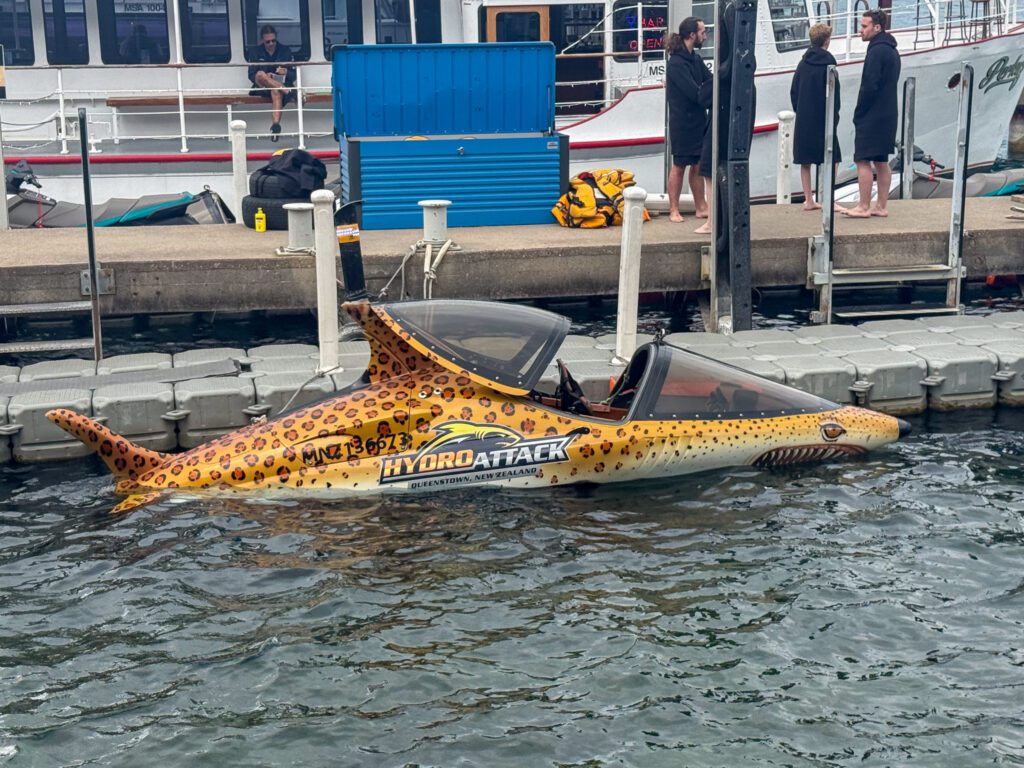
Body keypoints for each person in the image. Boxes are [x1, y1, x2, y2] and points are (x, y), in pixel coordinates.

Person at [842, 9, 901, 218]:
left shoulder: (876, 51)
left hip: (873, 114)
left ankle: (863, 206)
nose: (861, 31)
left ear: (877, 27)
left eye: (864, 26)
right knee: (881, 160)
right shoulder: (892, 50)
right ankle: (881, 206)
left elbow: (869, 85)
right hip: (888, 113)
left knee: (862, 159)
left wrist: (860, 111)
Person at [665, 17, 712, 223]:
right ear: (692, 35)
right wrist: (706, 95)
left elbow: (708, 79)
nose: (705, 35)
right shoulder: (676, 63)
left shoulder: (695, 58)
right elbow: (693, 92)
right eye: (703, 32)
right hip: (682, 121)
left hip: (698, 119)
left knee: (698, 164)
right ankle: (673, 209)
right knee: (680, 165)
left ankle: (701, 206)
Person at [790, 23, 841, 211]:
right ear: (826, 41)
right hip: (823, 117)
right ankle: (828, 197)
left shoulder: (803, 63)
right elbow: (835, 94)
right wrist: (834, 116)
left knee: (805, 161)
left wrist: (800, 110)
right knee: (833, 157)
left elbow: (794, 91)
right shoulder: (829, 64)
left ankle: (808, 199)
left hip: (805, 118)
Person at [247, 25, 296, 141]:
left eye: (273, 40)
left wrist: (286, 72)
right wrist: (266, 76)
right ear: (262, 41)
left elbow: (293, 75)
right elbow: (251, 75)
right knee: (260, 73)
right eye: (267, 42)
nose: (271, 44)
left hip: (279, 84)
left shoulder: (285, 51)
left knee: (275, 91)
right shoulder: (255, 52)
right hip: (262, 85)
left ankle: (275, 126)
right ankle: (287, 91)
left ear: (276, 38)